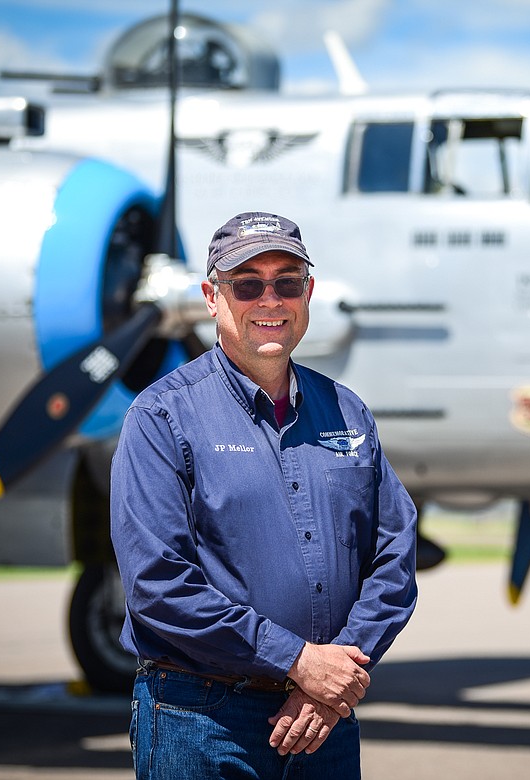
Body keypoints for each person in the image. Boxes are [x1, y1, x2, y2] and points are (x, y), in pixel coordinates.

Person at [110, 212, 419, 778]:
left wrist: (332, 679)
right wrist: (299, 660)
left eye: (287, 282)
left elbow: (394, 559)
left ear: (308, 293)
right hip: (200, 721)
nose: (269, 299)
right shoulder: (160, 416)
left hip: (323, 719)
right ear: (211, 296)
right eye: (247, 284)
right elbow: (157, 585)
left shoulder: (347, 412)